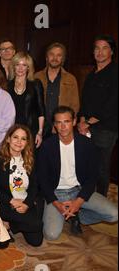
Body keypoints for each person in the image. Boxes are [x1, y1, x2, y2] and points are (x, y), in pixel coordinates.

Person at [38, 106, 118, 240]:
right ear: (55, 125)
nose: (63, 127)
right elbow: (42, 178)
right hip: (56, 193)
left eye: (67, 122)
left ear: (74, 121)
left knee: (114, 214)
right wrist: (56, 203)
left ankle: (77, 216)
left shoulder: (87, 145)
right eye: (59, 122)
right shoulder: (47, 146)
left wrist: (78, 202)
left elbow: (92, 176)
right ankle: (64, 215)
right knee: (51, 235)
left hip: (79, 190)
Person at [78, 34, 118, 197]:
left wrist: (87, 122)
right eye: (97, 48)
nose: (100, 52)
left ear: (112, 52)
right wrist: (81, 122)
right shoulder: (91, 75)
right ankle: (86, 197)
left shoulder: (115, 73)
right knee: (86, 164)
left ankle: (100, 199)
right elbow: (85, 102)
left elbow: (112, 105)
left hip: (106, 129)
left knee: (101, 167)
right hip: (86, 127)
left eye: (105, 48)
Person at [0, 124, 43, 247]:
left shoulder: (30, 159)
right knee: (36, 224)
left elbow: (35, 186)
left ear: (27, 142)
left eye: (23, 139)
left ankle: (10, 225)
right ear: (8, 139)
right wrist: (11, 200)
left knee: (36, 241)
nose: (19, 142)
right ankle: (5, 221)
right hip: (5, 204)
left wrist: (26, 204)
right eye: (15, 137)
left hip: (24, 203)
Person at [34, 42, 80, 138]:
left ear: (63, 59)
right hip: (40, 128)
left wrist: (67, 125)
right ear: (46, 57)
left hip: (61, 128)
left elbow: (75, 105)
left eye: (59, 55)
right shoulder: (36, 77)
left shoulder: (70, 79)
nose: (55, 58)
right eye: (52, 54)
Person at [7, 52, 45, 147]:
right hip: (12, 129)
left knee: (29, 159)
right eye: (17, 65)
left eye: (24, 65)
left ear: (28, 68)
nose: (20, 68)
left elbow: (41, 110)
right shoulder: (7, 85)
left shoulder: (36, 84)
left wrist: (40, 132)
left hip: (31, 129)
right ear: (13, 67)